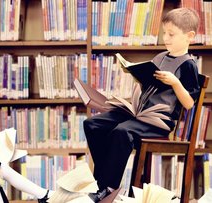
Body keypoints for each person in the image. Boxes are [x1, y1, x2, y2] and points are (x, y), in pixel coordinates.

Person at [84, 8, 201, 202]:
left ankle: (107, 188)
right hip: (139, 112)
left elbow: (189, 103)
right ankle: (102, 181)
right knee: (92, 125)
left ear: (189, 36)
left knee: (122, 132)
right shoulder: (161, 57)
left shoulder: (188, 65)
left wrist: (175, 82)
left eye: (171, 34)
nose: (166, 38)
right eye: (165, 33)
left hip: (159, 121)